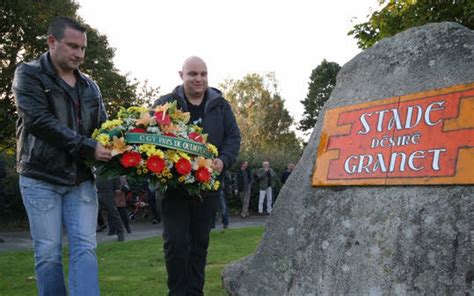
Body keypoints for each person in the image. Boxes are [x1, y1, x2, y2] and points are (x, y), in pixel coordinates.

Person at [13, 16, 111, 296]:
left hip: (80, 179)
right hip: (40, 178)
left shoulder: (91, 86)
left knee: (86, 248)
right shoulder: (28, 74)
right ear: (52, 42)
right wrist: (87, 146)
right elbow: (39, 121)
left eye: (83, 48)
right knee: (48, 253)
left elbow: (103, 129)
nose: (79, 54)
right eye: (72, 46)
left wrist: (127, 143)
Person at [153, 56, 240, 296]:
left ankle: (195, 292)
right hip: (173, 189)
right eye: (193, 74)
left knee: (199, 245)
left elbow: (233, 137)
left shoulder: (221, 105)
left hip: (208, 188)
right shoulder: (165, 104)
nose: (198, 79)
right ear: (181, 75)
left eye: (203, 74)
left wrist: (223, 160)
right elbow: (148, 136)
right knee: (176, 244)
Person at [96, 175, 125, 241]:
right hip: (98, 192)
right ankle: (102, 225)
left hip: (108, 193)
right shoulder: (98, 167)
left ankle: (120, 233)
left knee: (113, 213)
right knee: (95, 212)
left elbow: (116, 176)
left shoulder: (109, 168)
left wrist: (117, 187)